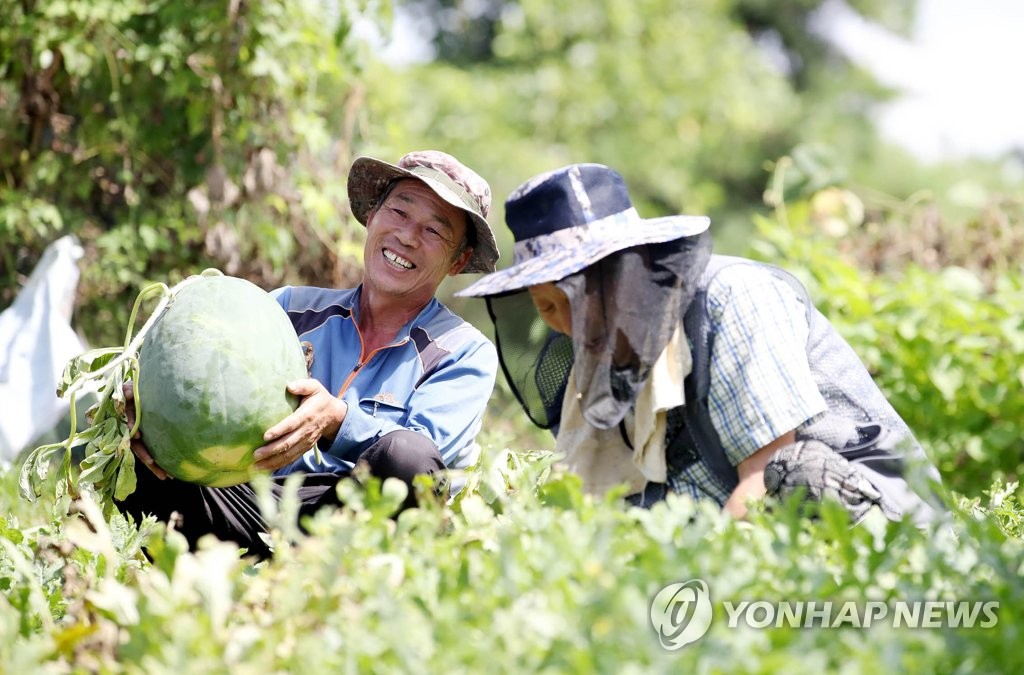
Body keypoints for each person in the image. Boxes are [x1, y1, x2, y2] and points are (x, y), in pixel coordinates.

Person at [457, 163, 942, 525]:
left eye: (576, 298)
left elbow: (765, 479)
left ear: (626, 273)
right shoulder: (606, 355)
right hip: (747, 547)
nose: (566, 324)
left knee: (796, 474)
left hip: (873, 528)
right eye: (546, 307)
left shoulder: (732, 297)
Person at [119, 150, 500, 557]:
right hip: (248, 506)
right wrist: (145, 410)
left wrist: (337, 422)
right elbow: (203, 378)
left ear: (457, 260)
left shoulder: (463, 352)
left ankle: (342, 589)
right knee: (129, 446)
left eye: (434, 231)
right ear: (372, 216)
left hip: (357, 522)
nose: (407, 236)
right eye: (399, 212)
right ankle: (200, 583)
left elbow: (424, 467)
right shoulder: (287, 308)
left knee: (407, 457)